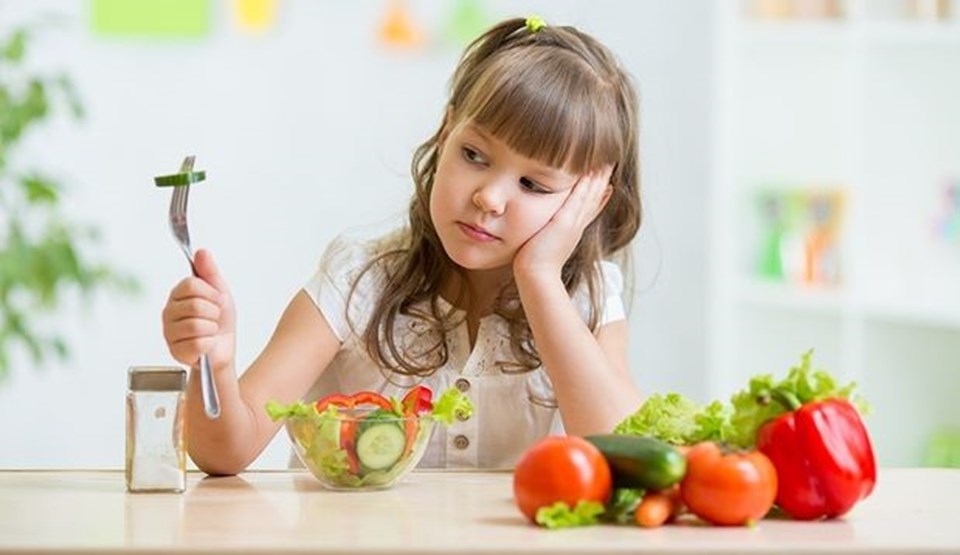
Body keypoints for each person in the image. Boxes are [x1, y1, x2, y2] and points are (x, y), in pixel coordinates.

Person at [162, 16, 643, 475]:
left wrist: (539, 278)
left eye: (533, 185)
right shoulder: (358, 278)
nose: (489, 198)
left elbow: (625, 458)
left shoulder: (590, 295)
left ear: (588, 201)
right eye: (474, 155)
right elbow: (225, 451)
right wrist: (216, 364)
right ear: (445, 131)